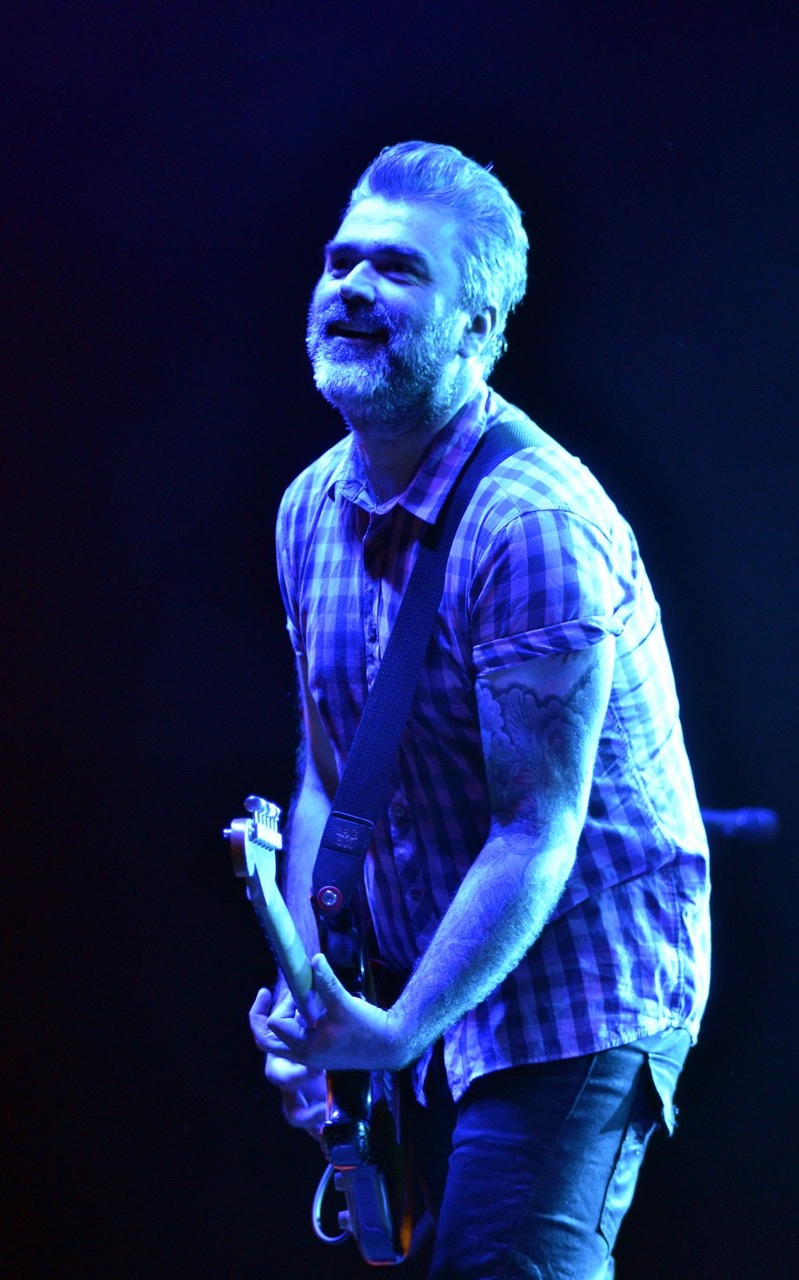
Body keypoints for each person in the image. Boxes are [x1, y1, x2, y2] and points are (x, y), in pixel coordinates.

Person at [249, 141, 710, 1278]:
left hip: (578, 986)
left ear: (478, 324)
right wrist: (319, 998)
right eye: (340, 261)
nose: (353, 286)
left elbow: (536, 829)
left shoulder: (532, 523)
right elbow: (328, 781)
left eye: (398, 269)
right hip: (428, 987)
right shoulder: (306, 509)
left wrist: (397, 1026)